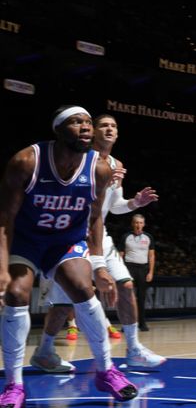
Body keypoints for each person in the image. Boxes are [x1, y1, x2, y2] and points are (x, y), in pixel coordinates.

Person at [0, 105, 138, 406]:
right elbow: (5, 219)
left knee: (83, 289)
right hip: (27, 240)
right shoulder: (27, 161)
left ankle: (106, 371)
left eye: (88, 122)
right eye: (76, 122)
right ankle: (14, 385)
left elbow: (95, 219)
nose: (85, 127)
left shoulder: (99, 169)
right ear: (59, 129)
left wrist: (100, 265)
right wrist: (1, 268)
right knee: (15, 293)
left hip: (66, 241)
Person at [30, 114, 166, 373]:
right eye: (103, 125)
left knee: (126, 286)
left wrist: (135, 203)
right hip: (70, 236)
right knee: (63, 304)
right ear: (93, 132)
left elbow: (113, 207)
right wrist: (99, 178)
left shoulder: (116, 164)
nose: (109, 129)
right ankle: (45, 351)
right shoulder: (77, 158)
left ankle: (134, 349)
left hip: (99, 235)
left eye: (114, 126)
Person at [120, 213, 156, 331]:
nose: (138, 225)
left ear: (144, 224)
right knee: (127, 297)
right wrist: (120, 271)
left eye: (140, 223)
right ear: (132, 224)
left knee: (141, 297)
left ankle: (142, 323)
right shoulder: (126, 236)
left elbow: (151, 256)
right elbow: (120, 255)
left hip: (143, 269)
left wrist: (150, 272)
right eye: (136, 222)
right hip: (128, 268)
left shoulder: (148, 237)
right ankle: (126, 324)